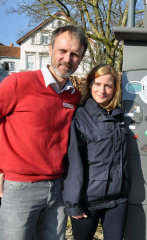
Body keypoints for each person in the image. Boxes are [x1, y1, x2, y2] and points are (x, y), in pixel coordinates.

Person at [0, 25, 87, 240]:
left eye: (75, 54)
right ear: (50, 49)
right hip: (19, 187)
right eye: (63, 51)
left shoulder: (75, 97)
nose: (68, 59)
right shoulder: (18, 83)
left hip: (58, 189)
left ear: (81, 58)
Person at [62, 64, 130, 240]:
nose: (102, 90)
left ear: (115, 88)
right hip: (89, 200)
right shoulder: (80, 116)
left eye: (108, 85)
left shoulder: (119, 116)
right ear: (90, 85)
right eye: (97, 84)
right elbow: (73, 162)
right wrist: (74, 203)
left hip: (118, 198)